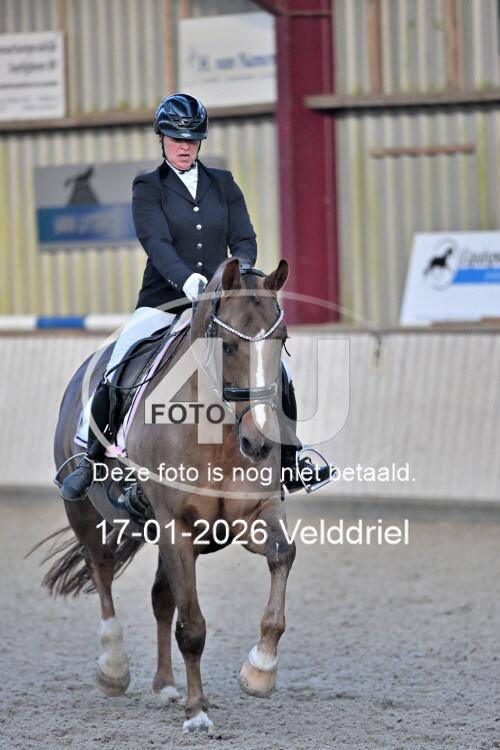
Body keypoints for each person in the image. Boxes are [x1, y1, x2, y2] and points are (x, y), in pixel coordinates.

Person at [60, 93, 331, 502]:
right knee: (120, 360)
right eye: (176, 139)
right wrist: (186, 280)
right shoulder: (148, 187)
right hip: (163, 300)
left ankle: (292, 458)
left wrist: (235, 275)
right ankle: (90, 456)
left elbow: (244, 238)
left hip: (222, 303)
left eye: (191, 139)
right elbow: (155, 242)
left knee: (277, 367)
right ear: (162, 139)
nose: (184, 147)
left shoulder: (223, 184)